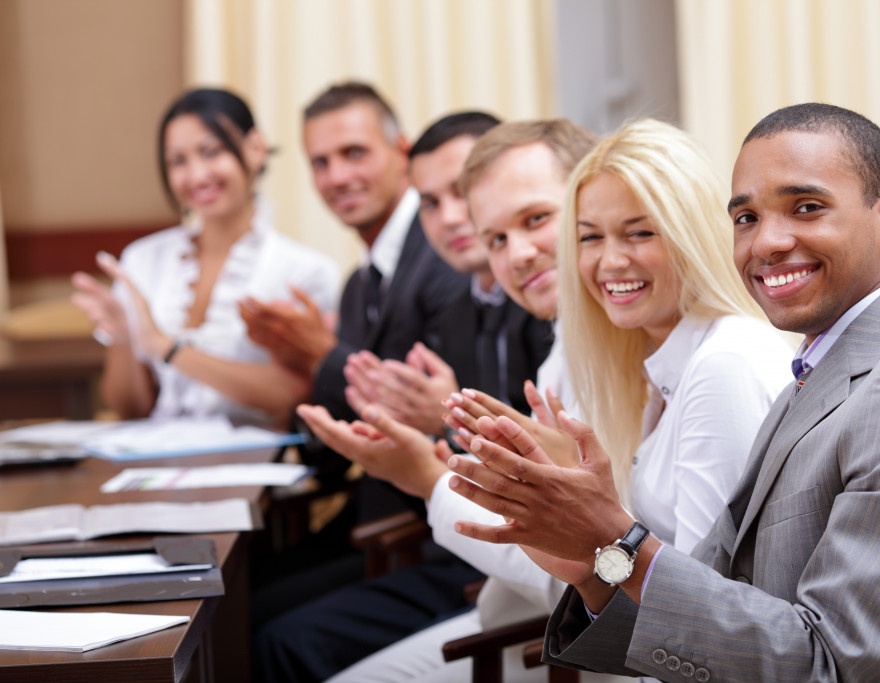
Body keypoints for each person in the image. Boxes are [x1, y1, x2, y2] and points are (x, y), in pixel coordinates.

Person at [448, 103, 880, 681]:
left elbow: (829, 665)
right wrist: (595, 569)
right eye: (746, 218)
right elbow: (727, 604)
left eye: (806, 207)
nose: (768, 241)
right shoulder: (820, 363)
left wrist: (614, 539)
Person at [319, 119, 796, 682]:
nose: (609, 261)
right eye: (591, 237)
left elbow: (701, 617)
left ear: (689, 229)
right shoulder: (642, 359)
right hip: (582, 635)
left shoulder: (722, 365)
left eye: (639, 232)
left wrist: (430, 476)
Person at [301, 119, 600, 682]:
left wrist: (434, 462)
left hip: (563, 620)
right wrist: (439, 444)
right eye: (431, 202)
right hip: (508, 583)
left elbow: (610, 565)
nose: (517, 252)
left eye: (535, 219)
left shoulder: (553, 313)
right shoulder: (508, 317)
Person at [70, 87, 339, 429]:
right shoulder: (142, 260)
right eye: (178, 161)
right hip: (161, 466)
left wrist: (167, 349)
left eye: (211, 152)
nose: (196, 176)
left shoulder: (305, 271)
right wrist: (123, 338)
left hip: (258, 471)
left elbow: (291, 395)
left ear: (256, 148)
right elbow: (132, 410)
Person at [342, 111, 553, 438]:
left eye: (462, 191)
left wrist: (450, 422)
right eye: (430, 203)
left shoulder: (548, 291)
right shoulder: (457, 312)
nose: (450, 218)